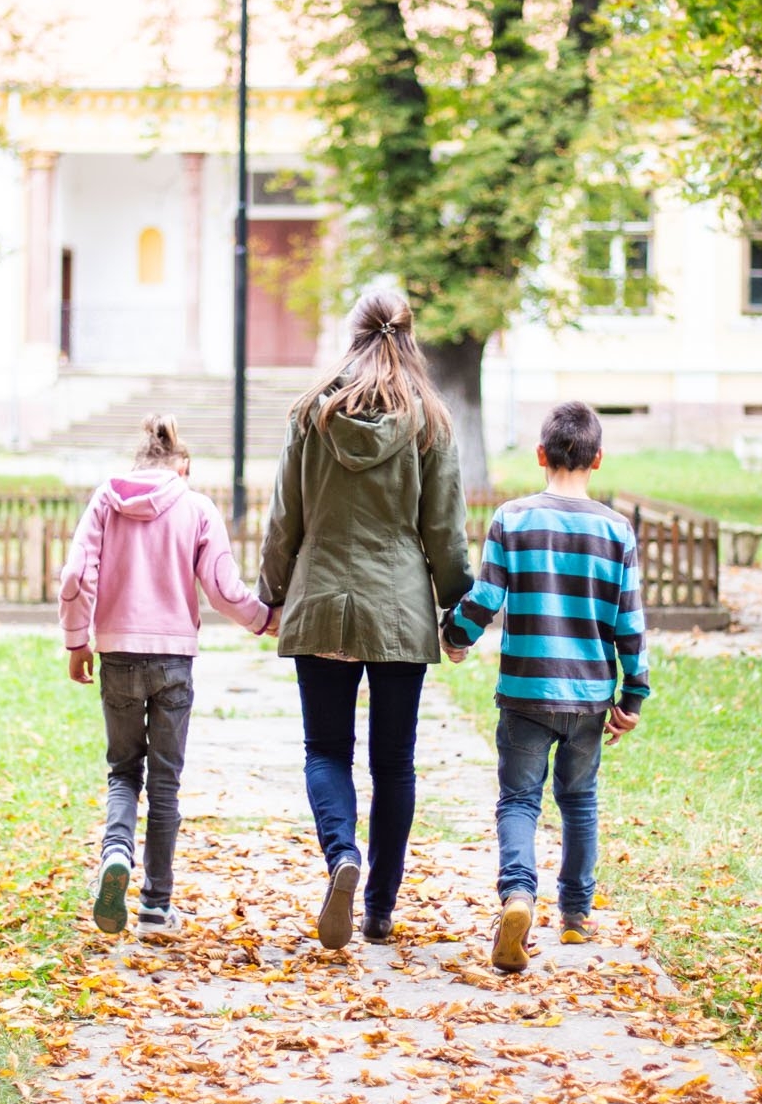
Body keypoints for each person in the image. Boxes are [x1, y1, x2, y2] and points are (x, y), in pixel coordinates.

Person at [257, 289, 473, 949]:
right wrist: (457, 606)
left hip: (321, 600)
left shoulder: (309, 415)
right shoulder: (430, 421)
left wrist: (271, 591)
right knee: (394, 764)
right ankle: (378, 907)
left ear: (350, 334)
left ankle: (341, 855)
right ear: (409, 337)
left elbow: (284, 516)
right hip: (400, 611)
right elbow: (445, 530)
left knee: (325, 749)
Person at [441, 401, 648, 974]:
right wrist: (633, 696)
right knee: (579, 801)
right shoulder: (616, 530)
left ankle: (517, 896)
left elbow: (485, 598)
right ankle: (577, 915)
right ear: (597, 459)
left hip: (526, 691)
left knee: (519, 800)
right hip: (588, 696)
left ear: (540, 455)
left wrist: (454, 634)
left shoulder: (512, 519)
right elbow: (629, 622)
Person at [59, 415, 276, 938]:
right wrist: (263, 620)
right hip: (174, 661)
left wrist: (76, 641)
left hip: (117, 657)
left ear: (139, 463)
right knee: (165, 784)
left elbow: (74, 576)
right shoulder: (196, 506)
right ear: (182, 466)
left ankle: (115, 855)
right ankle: (156, 905)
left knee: (122, 771)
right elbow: (223, 588)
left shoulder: (105, 501)